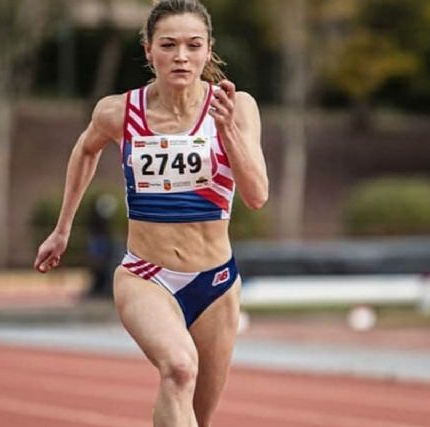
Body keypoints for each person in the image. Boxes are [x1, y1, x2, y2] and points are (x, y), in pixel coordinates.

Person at [33, 1, 268, 425]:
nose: (181, 56)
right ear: (148, 50)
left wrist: (228, 131)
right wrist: (62, 228)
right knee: (179, 369)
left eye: (193, 45)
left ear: (208, 50)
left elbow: (256, 195)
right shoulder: (119, 112)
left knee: (198, 416)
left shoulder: (237, 108)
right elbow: (85, 150)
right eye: (168, 45)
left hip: (215, 283)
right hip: (146, 276)